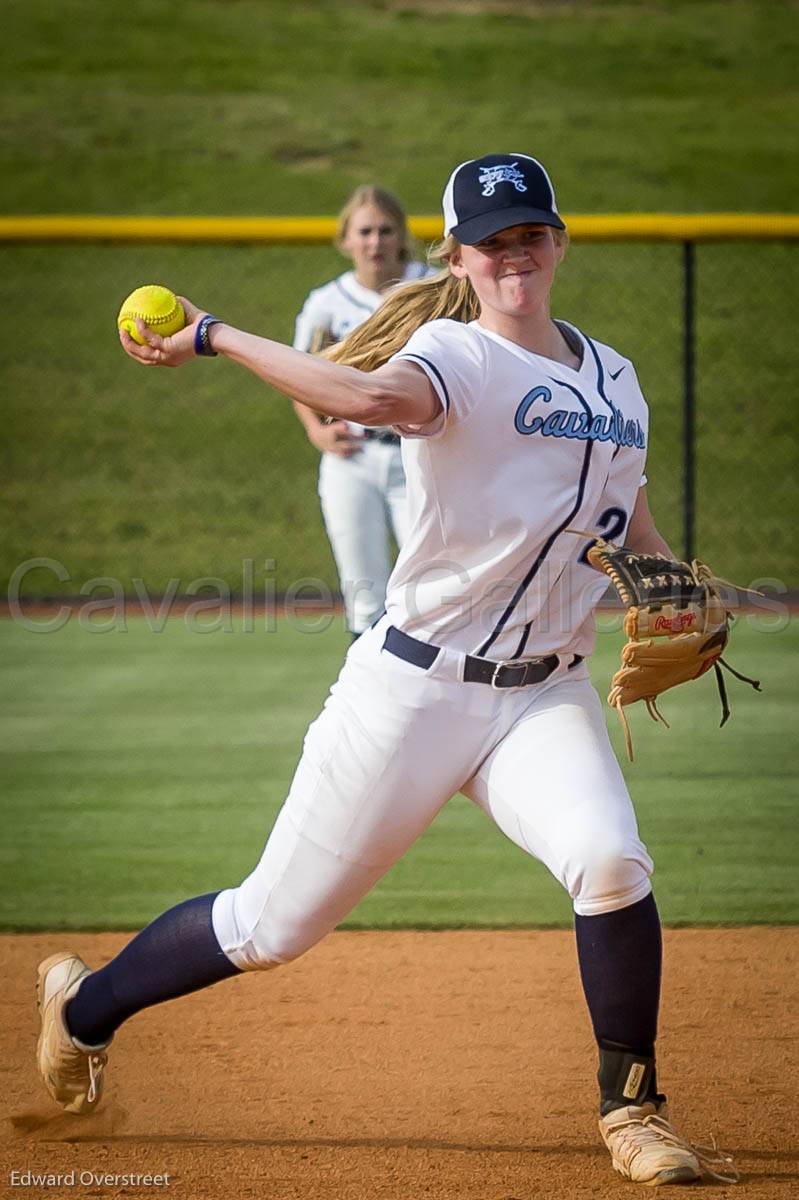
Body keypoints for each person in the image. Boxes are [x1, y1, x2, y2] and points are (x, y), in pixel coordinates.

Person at [37, 153, 737, 1188]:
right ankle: (84, 1008)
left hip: (545, 690)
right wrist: (216, 334)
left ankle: (631, 1110)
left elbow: (624, 521)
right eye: (492, 239)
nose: (515, 254)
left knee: (610, 861)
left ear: (558, 242)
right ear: (455, 254)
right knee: (269, 927)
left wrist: (668, 585)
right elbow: (365, 393)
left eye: (530, 232)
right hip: (412, 691)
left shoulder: (616, 376)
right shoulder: (453, 354)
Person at [292, 184, 432, 638]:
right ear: (346, 239)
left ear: (401, 236)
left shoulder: (432, 290)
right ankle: (370, 703)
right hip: (353, 457)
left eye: (386, 230)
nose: (376, 242)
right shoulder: (327, 303)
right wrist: (316, 431)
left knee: (429, 591)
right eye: (365, 231)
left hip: (422, 454)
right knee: (365, 597)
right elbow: (299, 375)